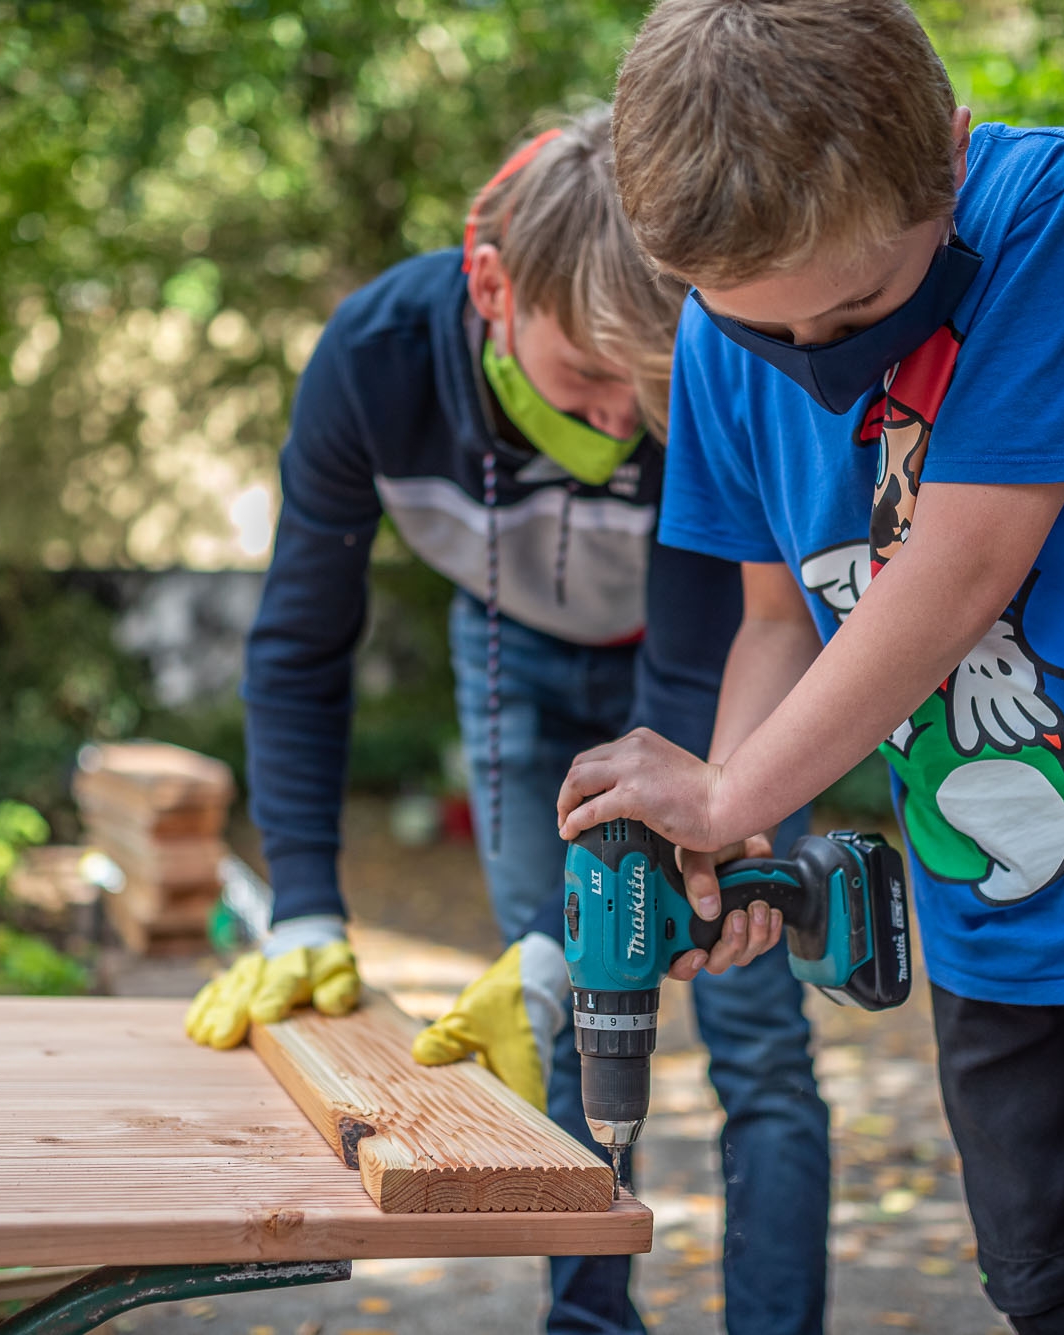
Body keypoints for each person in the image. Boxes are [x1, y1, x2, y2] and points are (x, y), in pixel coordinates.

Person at [554, 2, 1064, 1331]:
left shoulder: (1051, 208)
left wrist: (725, 797)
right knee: (1037, 1287)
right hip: (986, 915)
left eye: (853, 310)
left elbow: (961, 567)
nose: (812, 361)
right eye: (760, 328)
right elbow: (780, 620)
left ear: (949, 158)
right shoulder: (716, 347)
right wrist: (734, 834)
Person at [185, 106, 831, 1335]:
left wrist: (558, 939)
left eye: (643, 390)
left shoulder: (708, 355)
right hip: (510, 656)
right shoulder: (371, 360)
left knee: (753, 1035)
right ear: (492, 285)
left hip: (703, 684)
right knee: (568, 1024)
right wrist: (307, 903)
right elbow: (299, 643)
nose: (614, 422)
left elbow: (701, 667)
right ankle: (588, 1323)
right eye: (589, 376)